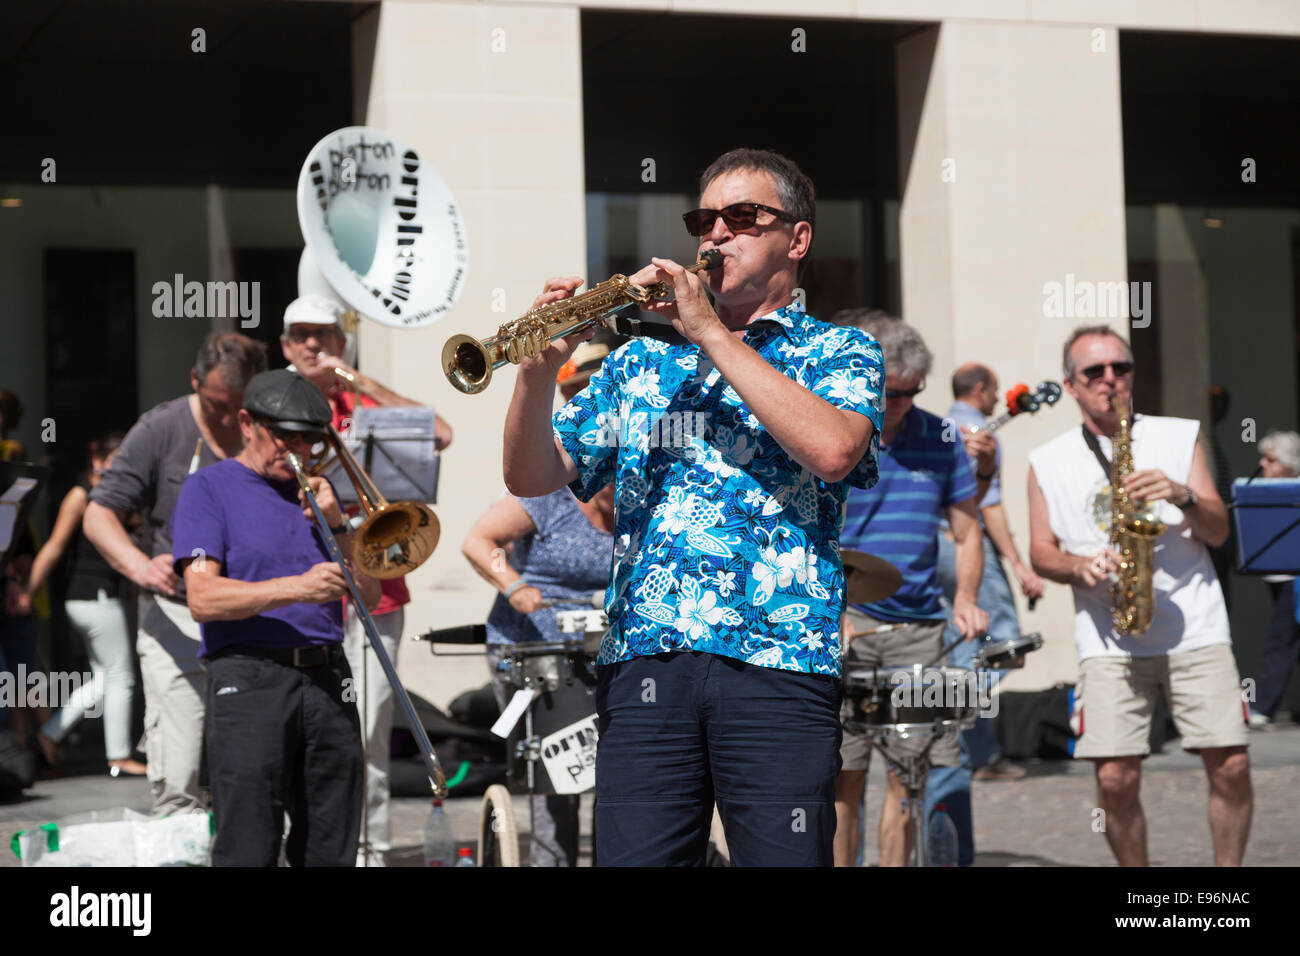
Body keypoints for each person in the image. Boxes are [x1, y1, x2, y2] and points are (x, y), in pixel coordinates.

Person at [503, 148, 883, 866]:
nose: (715, 235)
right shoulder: (640, 363)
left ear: (797, 240)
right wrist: (535, 373)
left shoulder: (841, 350)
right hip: (645, 659)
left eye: (742, 218)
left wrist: (711, 331)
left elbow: (833, 450)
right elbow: (532, 478)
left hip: (778, 659)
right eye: (703, 219)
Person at [1027, 324, 1252, 866]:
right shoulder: (1047, 460)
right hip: (1110, 636)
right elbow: (1041, 553)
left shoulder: (1178, 436)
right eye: (1095, 373)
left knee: (1232, 765)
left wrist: (1183, 494)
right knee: (1115, 777)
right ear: (1072, 385)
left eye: (1120, 369)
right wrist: (1080, 565)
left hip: (1194, 624)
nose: (1111, 381)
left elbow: (1219, 531)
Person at [172, 369, 378, 866]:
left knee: (333, 840)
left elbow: (369, 593)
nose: (299, 449)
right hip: (249, 674)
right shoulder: (209, 488)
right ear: (247, 423)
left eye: (310, 438)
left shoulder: (324, 496)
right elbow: (202, 597)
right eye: (284, 434)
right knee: (249, 839)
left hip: (328, 675)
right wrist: (298, 589)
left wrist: (339, 524)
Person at [280, 293, 452, 866]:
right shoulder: (276, 407)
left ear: (340, 344)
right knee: (308, 732)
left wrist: (358, 379)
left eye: (323, 336)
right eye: (301, 335)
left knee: (371, 733)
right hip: (303, 588)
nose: (312, 345)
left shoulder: (362, 401)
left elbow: (442, 432)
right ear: (284, 346)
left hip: (377, 589)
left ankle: (372, 850)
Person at [830, 313, 990, 867]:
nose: (900, 402)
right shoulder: (831, 430)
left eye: (912, 392)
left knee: (910, 777)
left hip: (919, 633)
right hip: (839, 629)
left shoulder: (942, 438)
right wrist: (830, 609)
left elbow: (969, 533)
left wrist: (966, 598)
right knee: (841, 784)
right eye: (889, 392)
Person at [84, 333, 266, 815]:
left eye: (239, 406)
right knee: (179, 773)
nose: (230, 420)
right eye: (217, 405)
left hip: (256, 618)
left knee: (258, 775)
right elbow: (98, 514)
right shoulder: (161, 427)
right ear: (194, 381)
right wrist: (140, 566)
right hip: (175, 619)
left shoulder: (268, 423)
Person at [462, 342, 615, 866]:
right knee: (556, 778)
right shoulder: (553, 490)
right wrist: (513, 587)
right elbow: (477, 542)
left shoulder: (641, 492)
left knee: (615, 772)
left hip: (601, 648)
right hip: (535, 651)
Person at [925, 363, 1045, 861]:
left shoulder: (941, 425)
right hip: (965, 543)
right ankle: (952, 713)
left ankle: (975, 743)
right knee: (1004, 640)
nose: (997, 398)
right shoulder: (977, 434)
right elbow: (987, 506)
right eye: (993, 391)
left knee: (966, 640)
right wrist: (1018, 564)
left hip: (933, 545)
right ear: (980, 391)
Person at [24, 433, 146, 776]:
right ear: (97, 460)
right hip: (93, 598)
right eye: (117, 459)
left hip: (94, 598)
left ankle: (49, 735)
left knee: (105, 677)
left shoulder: (120, 496)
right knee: (120, 675)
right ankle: (118, 755)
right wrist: (28, 591)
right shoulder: (82, 495)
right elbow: (54, 546)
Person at [1247, 430, 1300, 727]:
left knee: (1280, 643)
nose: (1263, 464)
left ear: (1289, 465)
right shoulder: (1265, 492)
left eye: (1271, 459)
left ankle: (1263, 706)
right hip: (1281, 578)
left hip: (1295, 579)